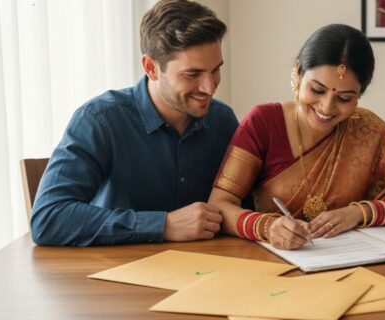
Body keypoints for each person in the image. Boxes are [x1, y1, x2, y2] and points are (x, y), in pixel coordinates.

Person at [208, 24, 385, 250]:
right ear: (298, 73)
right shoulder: (263, 123)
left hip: (355, 263)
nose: (326, 107)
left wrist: (358, 214)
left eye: (344, 99)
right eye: (317, 90)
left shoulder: (369, 130)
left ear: (359, 95)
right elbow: (219, 205)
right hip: (274, 263)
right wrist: (268, 227)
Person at [30, 0, 244, 246]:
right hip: (113, 276)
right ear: (151, 67)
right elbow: (48, 218)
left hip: (207, 274)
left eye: (215, 70)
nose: (209, 87)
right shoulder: (99, 120)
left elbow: (245, 205)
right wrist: (163, 225)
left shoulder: (223, 120)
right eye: (192, 74)